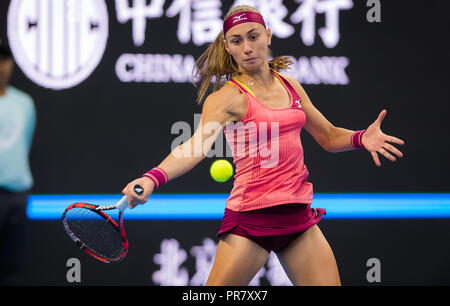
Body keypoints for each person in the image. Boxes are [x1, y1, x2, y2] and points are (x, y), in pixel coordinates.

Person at [121, 5, 404, 286]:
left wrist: (359, 138)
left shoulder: (291, 86)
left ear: (268, 35)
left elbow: (328, 136)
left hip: (297, 219)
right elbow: (195, 146)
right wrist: (151, 178)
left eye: (253, 36)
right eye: (237, 40)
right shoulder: (227, 98)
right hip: (250, 220)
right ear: (227, 47)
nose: (247, 47)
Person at [0, 43, 36, 285]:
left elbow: (25, 142)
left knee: (13, 269)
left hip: (18, 197)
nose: (1, 66)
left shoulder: (24, 103)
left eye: (5, 59)